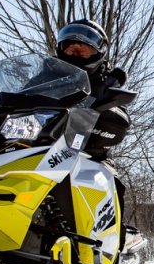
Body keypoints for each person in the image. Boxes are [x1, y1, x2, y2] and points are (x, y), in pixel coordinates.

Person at [54, 19, 131, 160]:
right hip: (40, 143)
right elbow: (24, 96)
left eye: (82, 50)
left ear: (98, 52)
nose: (76, 53)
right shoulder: (47, 76)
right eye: (71, 49)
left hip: (87, 154)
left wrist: (101, 111)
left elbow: (120, 117)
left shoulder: (108, 82)